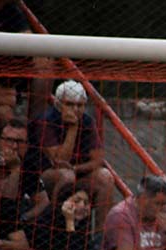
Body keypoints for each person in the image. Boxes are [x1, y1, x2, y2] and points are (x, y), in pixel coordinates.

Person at [26, 80, 116, 229]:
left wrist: (75, 169)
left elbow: (98, 160)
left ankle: (101, 237)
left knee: (105, 177)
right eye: (69, 104)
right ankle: (56, 229)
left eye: (80, 105)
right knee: (66, 175)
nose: (75, 109)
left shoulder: (87, 121)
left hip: (75, 171)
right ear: (58, 103)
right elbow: (60, 160)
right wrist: (73, 129)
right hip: (43, 174)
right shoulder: (45, 120)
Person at [30, 184, 102, 250]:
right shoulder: (47, 221)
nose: (82, 206)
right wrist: (69, 222)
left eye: (86, 203)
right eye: (76, 201)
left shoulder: (82, 223)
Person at [0, 118, 49, 223]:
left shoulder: (28, 166)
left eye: (20, 142)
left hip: (10, 222)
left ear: (27, 145)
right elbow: (5, 202)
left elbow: (44, 201)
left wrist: (24, 217)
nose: (15, 146)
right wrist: (15, 168)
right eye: (9, 140)